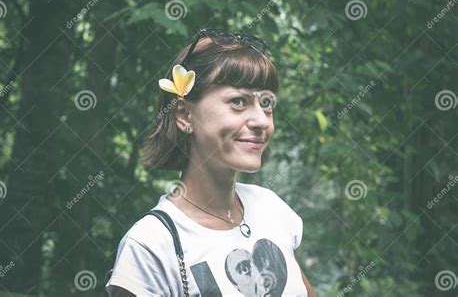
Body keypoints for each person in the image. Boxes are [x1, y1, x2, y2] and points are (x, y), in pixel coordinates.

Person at [105, 28, 316, 296]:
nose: (262, 121)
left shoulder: (271, 210)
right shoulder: (150, 246)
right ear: (184, 115)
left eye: (266, 104)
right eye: (238, 101)